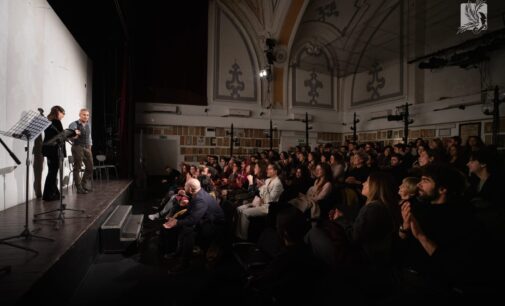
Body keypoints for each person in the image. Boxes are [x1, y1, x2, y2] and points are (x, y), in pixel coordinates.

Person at [162, 178, 225, 273]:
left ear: (191, 189)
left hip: (214, 226)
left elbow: (193, 219)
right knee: (184, 227)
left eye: (185, 186)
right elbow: (191, 211)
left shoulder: (200, 199)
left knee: (188, 231)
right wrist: (177, 219)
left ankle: (184, 264)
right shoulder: (198, 193)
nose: (184, 187)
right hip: (205, 220)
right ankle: (179, 253)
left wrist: (177, 222)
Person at [236, 162, 283, 240]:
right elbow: (261, 195)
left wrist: (263, 187)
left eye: (269, 169)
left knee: (244, 213)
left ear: (275, 171)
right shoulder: (267, 180)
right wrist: (262, 190)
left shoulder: (278, 183)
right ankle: (237, 234)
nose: (267, 170)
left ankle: (242, 238)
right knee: (239, 209)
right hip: (261, 203)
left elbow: (270, 200)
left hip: (268, 208)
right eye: (267, 169)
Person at [42, 106, 66, 201]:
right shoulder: (56, 122)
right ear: (58, 112)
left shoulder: (48, 121)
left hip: (49, 150)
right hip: (55, 150)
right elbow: (61, 136)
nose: (62, 116)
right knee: (53, 173)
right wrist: (73, 133)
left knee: (52, 172)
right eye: (62, 114)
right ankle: (48, 195)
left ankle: (54, 193)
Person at [69, 109, 93, 194]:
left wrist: (90, 148)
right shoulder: (74, 124)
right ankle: (78, 187)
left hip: (87, 148)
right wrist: (75, 135)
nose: (86, 116)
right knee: (77, 168)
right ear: (80, 115)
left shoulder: (88, 125)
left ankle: (83, 184)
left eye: (87, 115)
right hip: (77, 147)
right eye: (84, 115)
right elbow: (70, 138)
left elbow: (89, 137)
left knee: (90, 167)